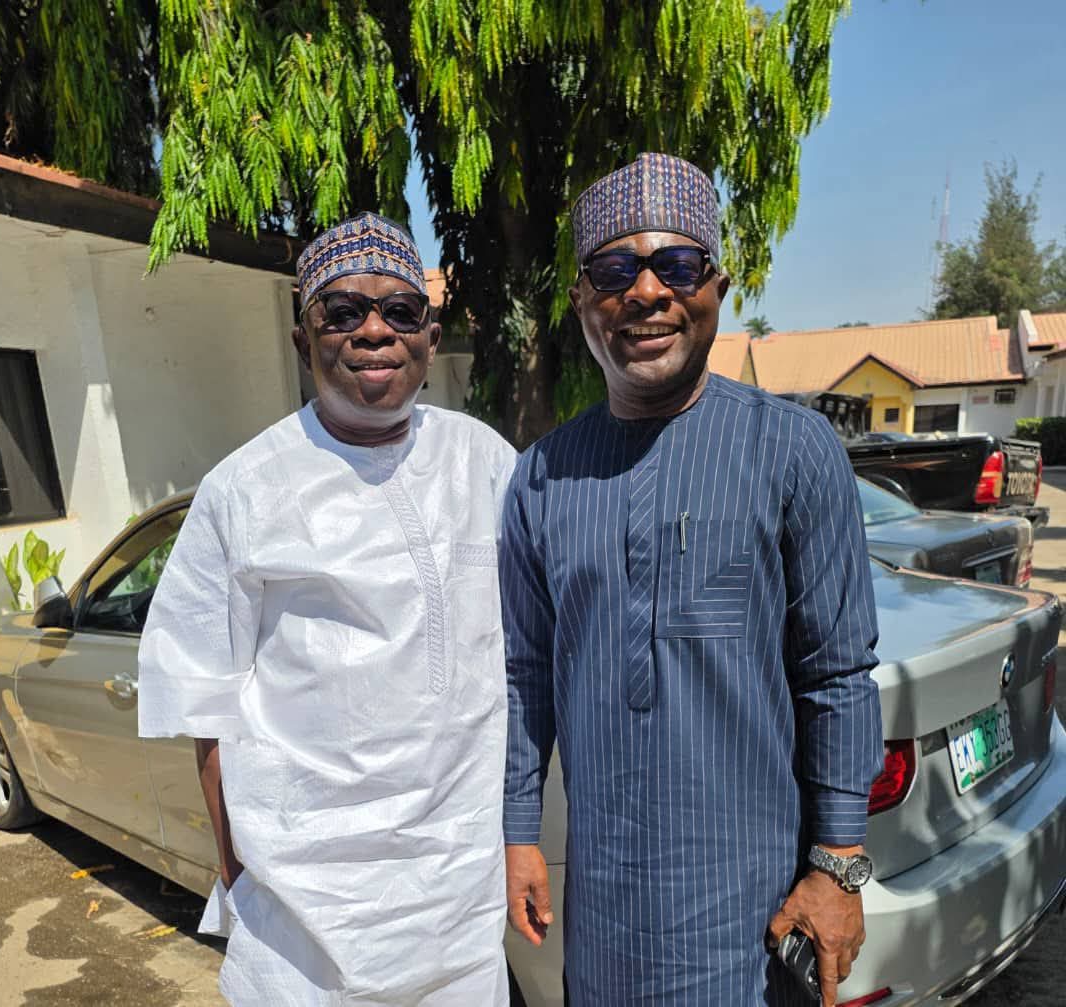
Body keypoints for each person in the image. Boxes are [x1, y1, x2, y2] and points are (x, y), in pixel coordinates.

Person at [500, 154, 883, 1007]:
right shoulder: (541, 478)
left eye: (675, 265)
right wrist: (519, 833)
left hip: (749, 918)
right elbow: (526, 675)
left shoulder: (792, 451)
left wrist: (839, 866)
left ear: (716, 283)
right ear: (581, 300)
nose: (646, 292)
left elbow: (837, 673)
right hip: (603, 918)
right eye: (614, 270)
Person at [138, 212, 517, 1006]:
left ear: (430, 334)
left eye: (399, 311)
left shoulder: (484, 461)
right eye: (341, 312)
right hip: (305, 918)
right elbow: (203, 694)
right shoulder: (244, 490)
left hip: (456, 902)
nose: (373, 330)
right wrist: (237, 866)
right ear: (302, 342)